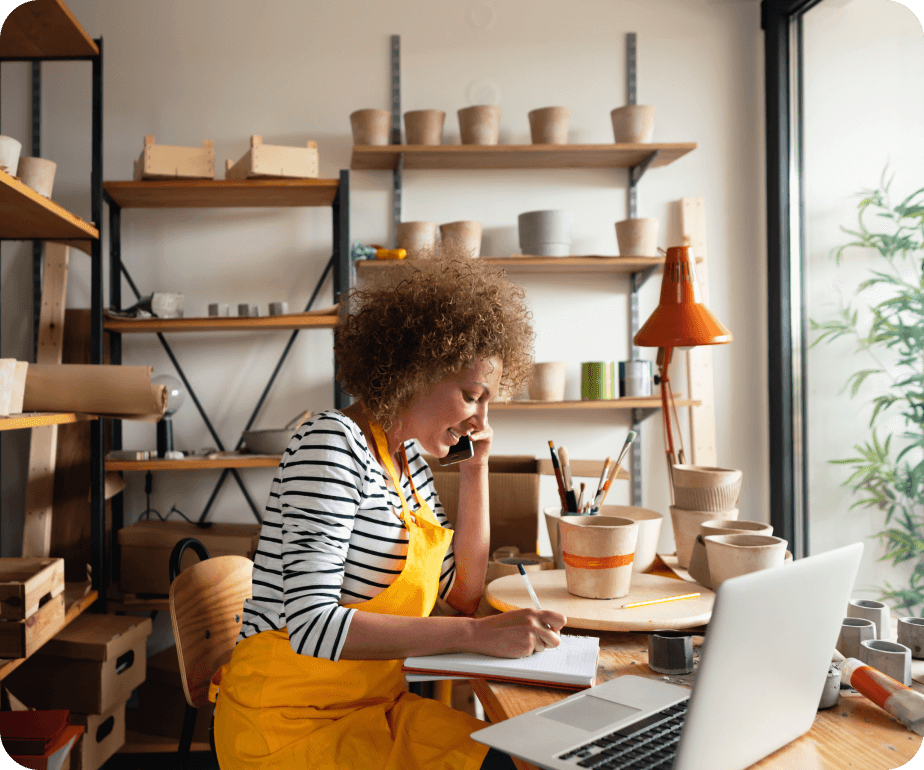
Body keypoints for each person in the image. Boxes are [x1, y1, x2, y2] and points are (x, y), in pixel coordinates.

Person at [211, 247, 568, 769]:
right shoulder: (330, 444)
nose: (481, 418)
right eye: (472, 395)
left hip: (374, 708)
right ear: (415, 370)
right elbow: (313, 627)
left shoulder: (409, 464)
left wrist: (475, 469)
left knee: (515, 759)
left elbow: (463, 595)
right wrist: (476, 636)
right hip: (287, 724)